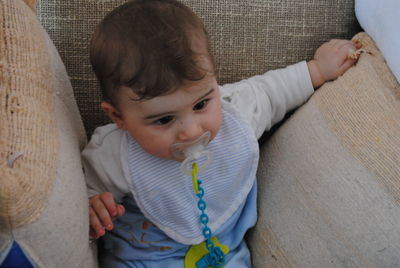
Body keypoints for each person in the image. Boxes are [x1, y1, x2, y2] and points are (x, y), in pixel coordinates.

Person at [82, 0, 361, 267]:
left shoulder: (235, 111)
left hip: (224, 254)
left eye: (202, 104)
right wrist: (94, 205)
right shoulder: (112, 154)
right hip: (141, 259)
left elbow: (272, 91)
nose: (192, 131)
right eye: (164, 119)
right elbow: (85, 189)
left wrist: (317, 69)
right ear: (118, 116)